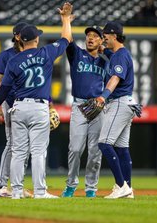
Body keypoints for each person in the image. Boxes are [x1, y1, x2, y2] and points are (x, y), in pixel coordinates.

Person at [0, 2, 73, 199]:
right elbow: (66, 38)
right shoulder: (46, 53)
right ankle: (40, 192)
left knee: (17, 152)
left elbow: (3, 89)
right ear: (36, 39)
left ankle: (16, 191)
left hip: (18, 108)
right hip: (39, 107)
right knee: (38, 152)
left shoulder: (13, 61)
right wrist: (66, 19)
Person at [61, 25, 107, 198]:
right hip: (80, 106)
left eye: (95, 36)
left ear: (101, 40)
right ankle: (71, 185)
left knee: (95, 151)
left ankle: (91, 188)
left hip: (98, 108)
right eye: (89, 35)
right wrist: (66, 20)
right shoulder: (77, 54)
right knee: (75, 149)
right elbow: (67, 38)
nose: (91, 38)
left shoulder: (105, 60)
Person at [96, 21, 138, 199]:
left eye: (106, 35)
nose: (104, 38)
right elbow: (110, 55)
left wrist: (103, 95)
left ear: (114, 36)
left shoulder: (120, 55)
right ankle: (127, 188)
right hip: (128, 103)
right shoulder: (119, 54)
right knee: (121, 148)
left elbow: (115, 78)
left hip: (119, 102)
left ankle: (121, 185)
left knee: (104, 143)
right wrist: (103, 50)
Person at [0, 22, 32, 198]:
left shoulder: (33, 54)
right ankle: (1, 186)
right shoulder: (6, 56)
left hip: (30, 103)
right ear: (17, 36)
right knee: (13, 143)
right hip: (10, 103)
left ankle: (17, 185)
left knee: (27, 146)